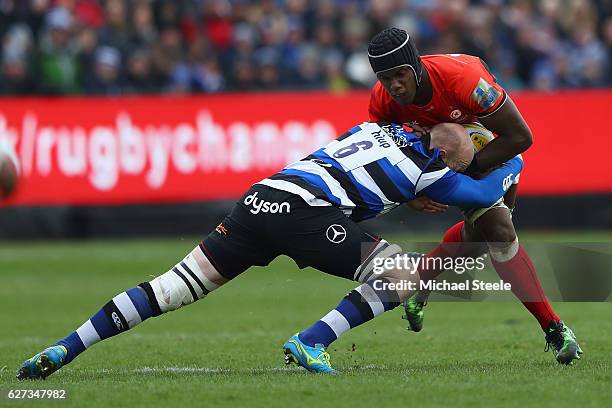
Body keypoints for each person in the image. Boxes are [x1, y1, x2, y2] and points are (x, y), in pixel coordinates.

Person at [17, 122, 522, 379]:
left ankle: (65, 348)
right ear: (454, 157)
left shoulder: (369, 130)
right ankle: (312, 340)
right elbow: (480, 196)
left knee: (171, 287)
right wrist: (510, 166)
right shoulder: (429, 168)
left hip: (259, 198)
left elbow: (370, 176)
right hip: (303, 214)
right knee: (404, 277)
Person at [366, 27, 581, 364]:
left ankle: (418, 283)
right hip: (435, 162)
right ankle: (555, 329)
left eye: (399, 75)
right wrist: (410, 196)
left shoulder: (464, 79)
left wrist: (468, 170)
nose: (393, 85)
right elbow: (384, 156)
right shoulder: (382, 101)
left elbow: (520, 137)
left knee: (480, 237)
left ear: (417, 65)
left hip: (485, 147)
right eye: (384, 78)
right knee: (499, 231)